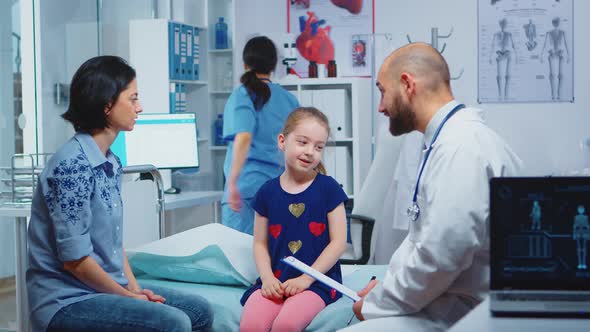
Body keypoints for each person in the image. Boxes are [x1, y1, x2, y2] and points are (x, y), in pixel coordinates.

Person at [342, 43, 523, 331]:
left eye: (382, 91)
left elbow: (441, 257)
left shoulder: (460, 149)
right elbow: (424, 241)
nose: (381, 106)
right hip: (447, 301)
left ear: (407, 84)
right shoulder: (449, 141)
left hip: (462, 313)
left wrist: (378, 304)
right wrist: (383, 288)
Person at [26, 56, 213, 332]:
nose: (140, 107)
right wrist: (128, 297)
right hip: (66, 300)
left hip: (104, 288)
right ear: (106, 105)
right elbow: (75, 261)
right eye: (133, 98)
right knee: (173, 322)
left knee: (199, 310)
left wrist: (135, 288)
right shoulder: (72, 167)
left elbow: (113, 243)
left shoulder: (111, 162)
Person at [239, 107, 348, 332]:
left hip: (316, 283)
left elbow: (338, 243)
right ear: (282, 141)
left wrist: (305, 280)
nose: (311, 152)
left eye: (319, 147)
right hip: (275, 282)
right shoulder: (267, 192)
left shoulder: (329, 189)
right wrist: (267, 278)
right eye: (303, 142)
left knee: (285, 325)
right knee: (251, 325)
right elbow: (260, 243)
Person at [222, 36, 300, 235]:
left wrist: (232, 182)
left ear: (245, 64)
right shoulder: (289, 99)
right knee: (274, 257)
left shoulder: (242, 94)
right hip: (281, 189)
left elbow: (244, 137)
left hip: (245, 191)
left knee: (239, 258)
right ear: (273, 66)